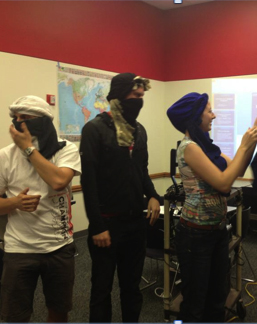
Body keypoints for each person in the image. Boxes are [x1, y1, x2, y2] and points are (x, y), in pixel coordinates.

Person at [0, 95, 81, 322]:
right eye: (15, 118)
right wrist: (13, 203)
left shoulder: (66, 150)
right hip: (19, 250)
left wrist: (27, 149)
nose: (18, 122)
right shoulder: (4, 156)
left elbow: (57, 181)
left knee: (59, 310)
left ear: (43, 121)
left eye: (25, 118)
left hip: (59, 247)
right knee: (14, 315)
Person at [167, 92, 257, 322]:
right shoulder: (189, 147)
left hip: (217, 231)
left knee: (216, 298)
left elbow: (237, 169)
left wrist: (254, 136)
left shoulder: (209, 148)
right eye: (209, 111)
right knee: (195, 302)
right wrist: (243, 145)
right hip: (195, 235)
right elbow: (223, 182)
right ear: (195, 117)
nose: (214, 115)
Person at [80, 72, 161, 323]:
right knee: (101, 290)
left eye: (142, 96)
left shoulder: (139, 131)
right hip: (106, 227)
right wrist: (97, 226)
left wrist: (153, 195)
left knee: (131, 288)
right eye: (135, 96)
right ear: (118, 97)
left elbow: (141, 171)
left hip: (135, 224)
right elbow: (88, 181)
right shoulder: (95, 129)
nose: (139, 100)